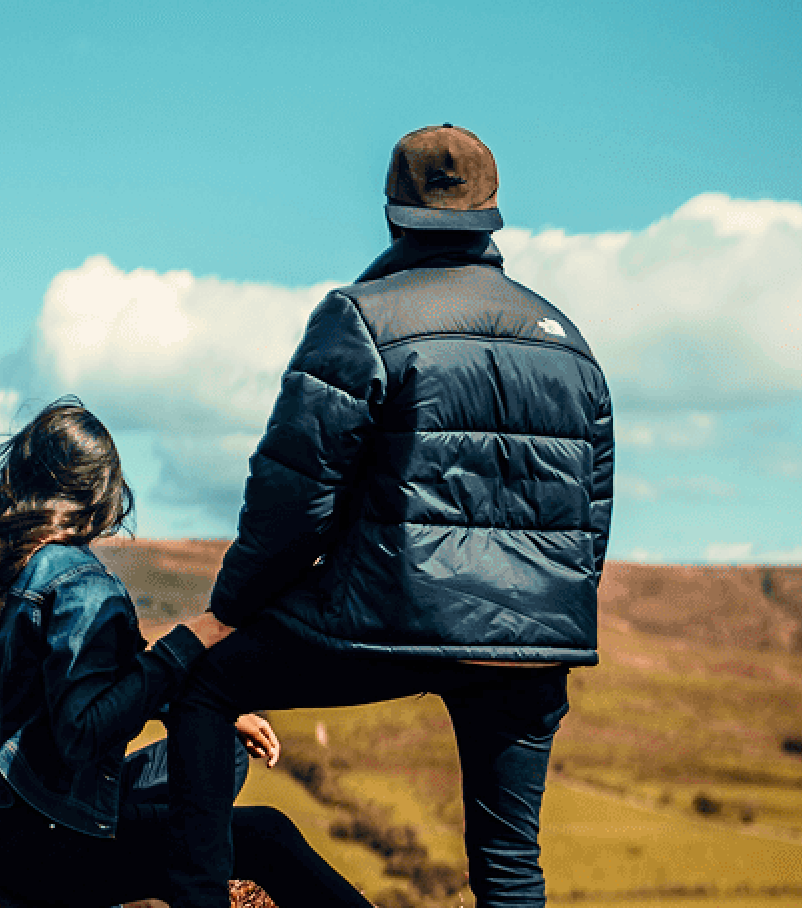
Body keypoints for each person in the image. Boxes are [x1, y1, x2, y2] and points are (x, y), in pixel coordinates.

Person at [164, 124, 614, 908]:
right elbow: (591, 518)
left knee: (203, 684)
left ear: (391, 212)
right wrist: (542, 620)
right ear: (491, 214)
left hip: (389, 614)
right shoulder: (568, 342)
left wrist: (230, 609)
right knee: (510, 863)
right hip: (534, 641)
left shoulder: (360, 316)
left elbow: (293, 494)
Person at [0, 399, 373, 908]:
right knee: (267, 835)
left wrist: (210, 707)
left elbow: (91, 678)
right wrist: (193, 638)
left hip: (9, 836)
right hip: (54, 854)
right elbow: (83, 731)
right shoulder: (81, 584)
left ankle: (175, 859)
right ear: (101, 492)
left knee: (218, 747)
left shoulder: (6, 566)